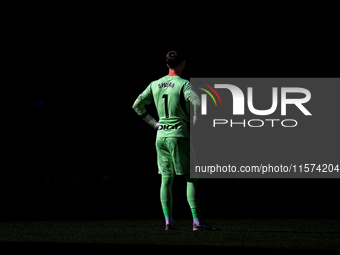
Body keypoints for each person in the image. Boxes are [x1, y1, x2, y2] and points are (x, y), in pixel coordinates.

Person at [132, 50, 219, 231]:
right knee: (190, 177)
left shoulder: (155, 84)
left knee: (166, 179)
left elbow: (137, 105)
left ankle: (168, 222)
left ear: (167, 64)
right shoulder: (184, 84)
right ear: (182, 64)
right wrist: (193, 123)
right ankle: (197, 222)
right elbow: (198, 103)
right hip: (178, 135)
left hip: (161, 136)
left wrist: (155, 124)